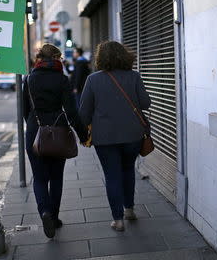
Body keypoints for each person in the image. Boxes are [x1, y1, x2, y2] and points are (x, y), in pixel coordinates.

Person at [79, 41, 151, 232]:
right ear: (124, 55)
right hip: (133, 135)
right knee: (128, 170)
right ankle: (129, 210)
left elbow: (84, 113)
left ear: (100, 58)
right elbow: (146, 103)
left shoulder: (93, 80)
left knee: (112, 176)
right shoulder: (134, 77)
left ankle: (118, 220)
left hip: (105, 138)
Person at [23, 44, 88, 238]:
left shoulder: (29, 79)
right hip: (58, 130)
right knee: (56, 177)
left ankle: (44, 211)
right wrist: (83, 135)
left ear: (39, 58)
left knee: (40, 178)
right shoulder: (62, 80)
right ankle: (55, 217)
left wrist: (35, 126)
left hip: (35, 131)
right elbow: (72, 111)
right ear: (57, 58)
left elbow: (24, 110)